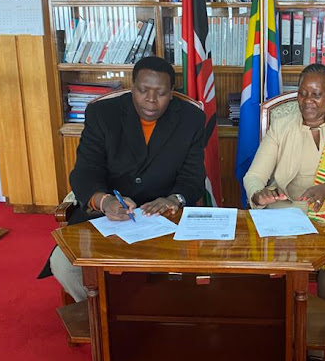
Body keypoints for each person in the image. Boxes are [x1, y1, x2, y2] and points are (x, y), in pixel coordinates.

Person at [243, 63, 325, 361]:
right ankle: (277, 326)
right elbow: (255, 174)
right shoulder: (283, 125)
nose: (307, 101)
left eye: (316, 94)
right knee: (265, 246)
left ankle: (315, 345)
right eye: (302, 93)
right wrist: (257, 193)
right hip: (289, 201)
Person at [45, 56, 206, 302]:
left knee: (191, 274)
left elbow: (193, 177)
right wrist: (103, 201)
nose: (151, 100)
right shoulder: (102, 114)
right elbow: (86, 171)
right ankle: (104, 317)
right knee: (64, 265)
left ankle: (148, 317)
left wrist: (174, 198)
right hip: (108, 216)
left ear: (172, 93)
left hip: (165, 220)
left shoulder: (190, 119)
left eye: (160, 93)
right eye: (143, 91)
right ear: (132, 87)